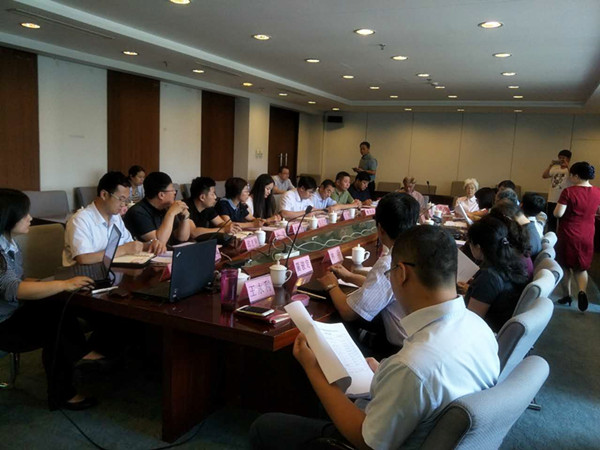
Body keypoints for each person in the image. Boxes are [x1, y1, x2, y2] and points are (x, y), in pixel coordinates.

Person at [250, 226, 499, 450]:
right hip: (422, 428)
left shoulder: (412, 367)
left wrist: (312, 368)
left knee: (264, 426)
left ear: (401, 274)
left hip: (376, 438)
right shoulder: (479, 328)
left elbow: (366, 441)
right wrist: (384, 373)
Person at [0, 189, 100, 410]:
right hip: (3, 323)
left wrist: (52, 282)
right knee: (55, 326)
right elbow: (14, 289)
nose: (30, 218)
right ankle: (65, 390)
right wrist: (64, 284)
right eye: (25, 214)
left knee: (57, 305)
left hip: (14, 311)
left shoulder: (8, 242)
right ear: (8, 217)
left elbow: (18, 279)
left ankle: (80, 354)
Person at [316, 193, 420, 351]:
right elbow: (385, 289)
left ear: (380, 228)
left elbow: (348, 312)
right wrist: (350, 277)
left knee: (340, 324)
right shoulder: (417, 250)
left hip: (400, 349)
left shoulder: (390, 263)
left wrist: (332, 285)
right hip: (419, 339)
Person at [63, 171, 149, 266]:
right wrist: (123, 249)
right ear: (104, 195)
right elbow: (83, 258)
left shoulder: (116, 217)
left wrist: (148, 245)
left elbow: (129, 244)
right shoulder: (80, 220)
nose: (123, 205)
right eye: (121, 199)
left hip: (111, 270)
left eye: (125, 200)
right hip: (83, 273)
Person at [461, 215, 529, 332]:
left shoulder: (488, 277)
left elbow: (473, 320)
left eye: (470, 242)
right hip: (498, 325)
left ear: (478, 247)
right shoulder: (512, 262)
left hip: (485, 331)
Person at [554, 162, 600, 311]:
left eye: (571, 175)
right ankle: (582, 292)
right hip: (588, 233)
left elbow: (558, 213)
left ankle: (567, 295)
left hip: (569, 232)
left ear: (576, 176)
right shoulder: (597, 191)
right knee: (581, 267)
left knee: (565, 265)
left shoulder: (569, 192)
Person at [124, 171, 190, 248]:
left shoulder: (166, 207)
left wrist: (185, 217)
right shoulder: (138, 212)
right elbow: (159, 243)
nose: (175, 193)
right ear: (161, 195)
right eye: (172, 190)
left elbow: (183, 238)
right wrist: (171, 214)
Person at [542, 149, 572, 232]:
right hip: (552, 198)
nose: (561, 159)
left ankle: (562, 237)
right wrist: (550, 165)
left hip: (564, 200)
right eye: (560, 158)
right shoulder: (555, 168)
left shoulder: (570, 169)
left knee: (564, 222)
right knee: (551, 222)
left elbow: (573, 177)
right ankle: (551, 236)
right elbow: (544, 176)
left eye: (563, 158)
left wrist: (567, 165)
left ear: (568, 159)